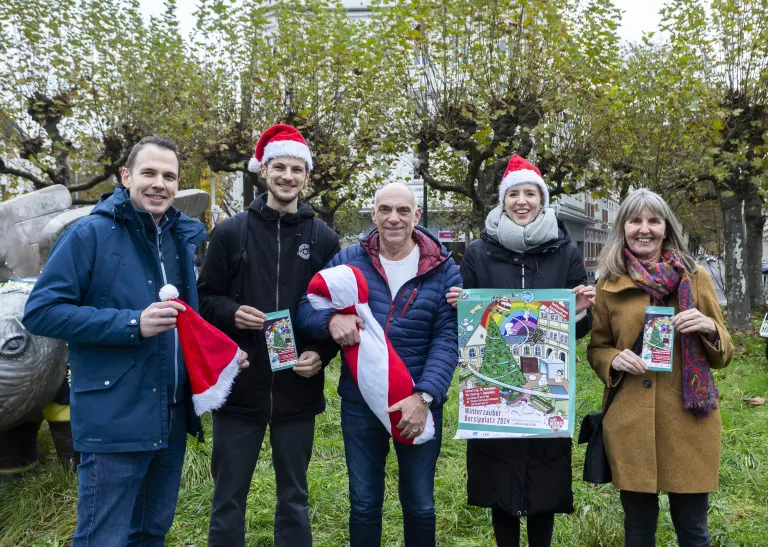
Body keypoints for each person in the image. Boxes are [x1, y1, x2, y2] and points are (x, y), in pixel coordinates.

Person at [23, 136, 248, 546]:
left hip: (171, 412)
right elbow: (40, 312)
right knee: (103, 538)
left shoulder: (181, 238)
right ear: (126, 176)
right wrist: (132, 323)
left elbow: (185, 322)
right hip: (115, 412)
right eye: (149, 173)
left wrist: (221, 356)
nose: (159, 183)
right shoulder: (89, 234)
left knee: (151, 532)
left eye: (169, 175)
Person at [197, 124, 340, 547]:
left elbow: (335, 311)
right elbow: (203, 298)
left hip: (297, 389)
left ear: (307, 176)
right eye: (280, 167)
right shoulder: (230, 232)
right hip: (239, 386)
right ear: (264, 171)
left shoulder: (324, 238)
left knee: (294, 497)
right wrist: (231, 312)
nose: (288, 176)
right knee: (228, 497)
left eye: (297, 169)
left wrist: (321, 354)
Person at [296, 182, 461, 547]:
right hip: (360, 404)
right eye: (385, 209)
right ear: (373, 213)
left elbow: (448, 339)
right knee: (365, 503)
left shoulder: (443, 269)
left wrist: (425, 396)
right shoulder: (348, 260)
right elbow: (307, 307)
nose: (394, 218)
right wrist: (330, 322)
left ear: (417, 216)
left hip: (417, 402)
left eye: (403, 211)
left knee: (420, 506)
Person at [446, 154, 596, 547]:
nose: (522, 201)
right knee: (499, 473)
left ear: (542, 200)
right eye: (514, 194)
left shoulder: (565, 250)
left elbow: (580, 325)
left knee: (546, 475)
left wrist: (580, 312)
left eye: (531, 193)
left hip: (548, 382)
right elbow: (467, 321)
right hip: (496, 387)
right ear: (503, 200)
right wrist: (462, 304)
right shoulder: (479, 251)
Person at [587, 189, 733, 547]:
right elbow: (597, 348)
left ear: (666, 228)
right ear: (623, 228)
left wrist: (709, 328)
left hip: (688, 421)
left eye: (654, 220)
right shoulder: (608, 284)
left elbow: (724, 351)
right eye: (635, 220)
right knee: (638, 531)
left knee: (693, 529)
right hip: (630, 423)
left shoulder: (695, 277)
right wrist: (613, 359)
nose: (644, 229)